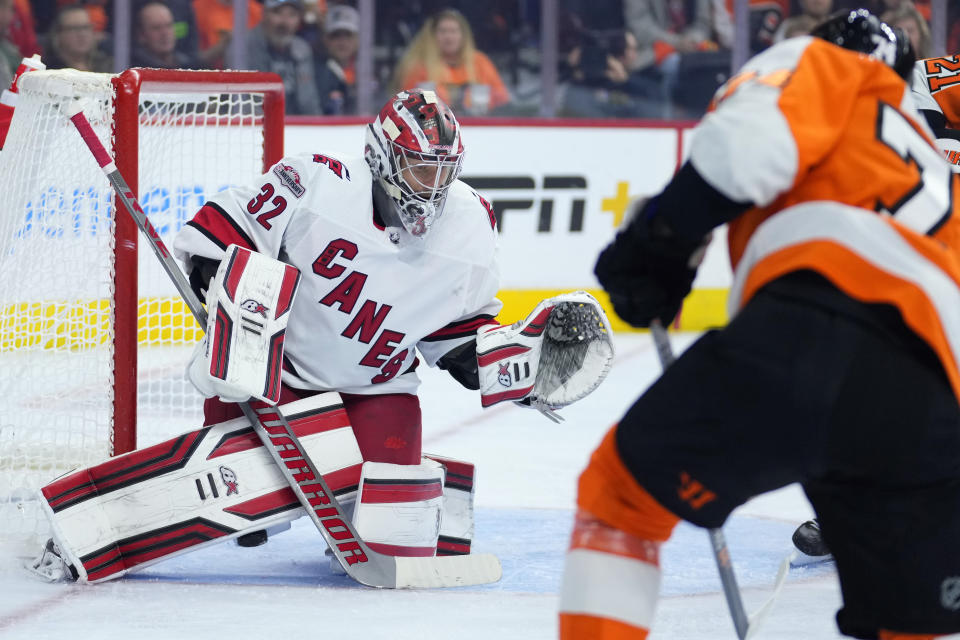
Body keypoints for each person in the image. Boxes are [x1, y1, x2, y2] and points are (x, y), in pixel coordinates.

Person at [558, 9, 960, 639]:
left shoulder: (821, 64)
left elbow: (746, 149)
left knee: (622, 495)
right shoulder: (928, 155)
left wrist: (656, 242)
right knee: (905, 623)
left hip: (816, 328)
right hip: (936, 394)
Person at [168, 87, 612, 564]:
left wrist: (511, 368)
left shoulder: (472, 221)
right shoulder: (315, 179)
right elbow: (219, 237)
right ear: (381, 157)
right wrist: (233, 327)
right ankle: (249, 476)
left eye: (444, 169)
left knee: (394, 535)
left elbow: (456, 331)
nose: (433, 184)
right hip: (278, 381)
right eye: (420, 166)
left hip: (377, 391)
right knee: (243, 500)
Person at [393, 8, 510, 116]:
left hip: (479, 125)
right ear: (433, 35)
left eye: (453, 31)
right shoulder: (419, 67)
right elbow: (405, 106)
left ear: (463, 36)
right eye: (443, 31)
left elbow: (502, 100)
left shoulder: (480, 62)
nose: (448, 37)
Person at [247, 0, 321, 115]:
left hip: (296, 128)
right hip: (255, 127)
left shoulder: (302, 49)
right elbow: (246, 104)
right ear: (264, 14)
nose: (284, 22)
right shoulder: (244, 48)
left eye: (292, 14)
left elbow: (309, 103)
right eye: (277, 12)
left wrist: (316, 128)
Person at [315, 3, 359, 115]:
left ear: (357, 39)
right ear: (325, 39)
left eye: (348, 35)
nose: (342, 42)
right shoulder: (315, 73)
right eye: (336, 35)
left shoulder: (367, 72)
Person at [130, 2, 203, 69]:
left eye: (169, 25)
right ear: (141, 35)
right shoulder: (136, 70)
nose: (165, 33)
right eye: (156, 28)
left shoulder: (190, 66)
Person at [42, 5, 112, 72]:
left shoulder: (108, 65)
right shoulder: (48, 70)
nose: (82, 34)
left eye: (86, 27)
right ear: (58, 34)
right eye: (74, 28)